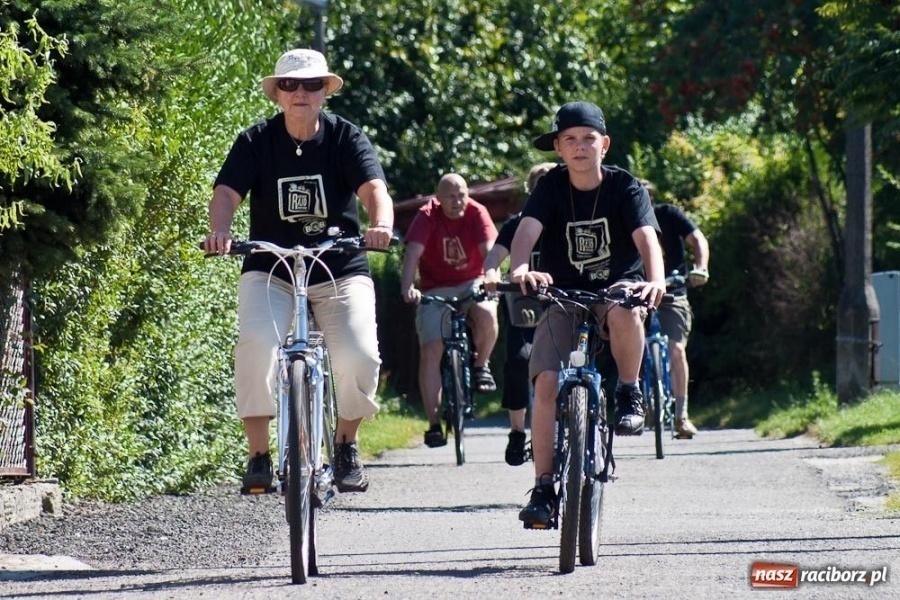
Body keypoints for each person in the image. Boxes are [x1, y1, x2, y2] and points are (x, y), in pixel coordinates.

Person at [203, 48, 395, 495]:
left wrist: (380, 224)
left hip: (339, 266)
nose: (301, 93)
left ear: (326, 90)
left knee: (361, 355)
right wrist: (220, 232)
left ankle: (346, 443)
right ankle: (258, 455)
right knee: (255, 345)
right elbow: (227, 194)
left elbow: (374, 190)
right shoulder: (255, 142)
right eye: (290, 85)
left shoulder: (347, 138)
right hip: (271, 267)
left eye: (311, 84)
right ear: (278, 94)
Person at [507, 102, 666, 527]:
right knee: (544, 382)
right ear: (558, 148)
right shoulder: (550, 187)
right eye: (570, 140)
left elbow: (647, 238)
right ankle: (543, 488)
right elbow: (526, 232)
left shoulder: (624, 186)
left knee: (624, 310)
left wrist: (655, 280)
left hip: (617, 288)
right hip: (563, 294)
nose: (580, 147)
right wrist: (520, 268)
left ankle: (629, 391)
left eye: (588, 139)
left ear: (605, 144)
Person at [401, 173, 499, 448]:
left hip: (472, 282)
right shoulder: (426, 216)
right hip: (436, 288)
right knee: (431, 349)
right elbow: (412, 254)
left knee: (487, 312)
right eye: (450, 196)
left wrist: (492, 277)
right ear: (438, 197)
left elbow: (489, 250)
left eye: (462, 195)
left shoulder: (477, 212)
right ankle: (433, 423)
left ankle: (481, 367)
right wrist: (408, 287)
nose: (457, 201)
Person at [483, 162, 556, 466]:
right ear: (530, 189)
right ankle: (516, 431)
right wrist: (489, 274)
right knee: (519, 362)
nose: (544, 186)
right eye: (539, 182)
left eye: (550, 181)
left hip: (562, 306)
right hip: (524, 309)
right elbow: (495, 257)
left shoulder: (570, 220)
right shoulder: (517, 224)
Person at [640, 179, 709, 438]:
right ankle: (634, 401)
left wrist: (700, 267)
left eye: (646, 195)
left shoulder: (669, 215)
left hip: (672, 291)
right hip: (637, 293)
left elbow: (697, 239)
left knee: (676, 350)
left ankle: (682, 416)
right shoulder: (623, 219)